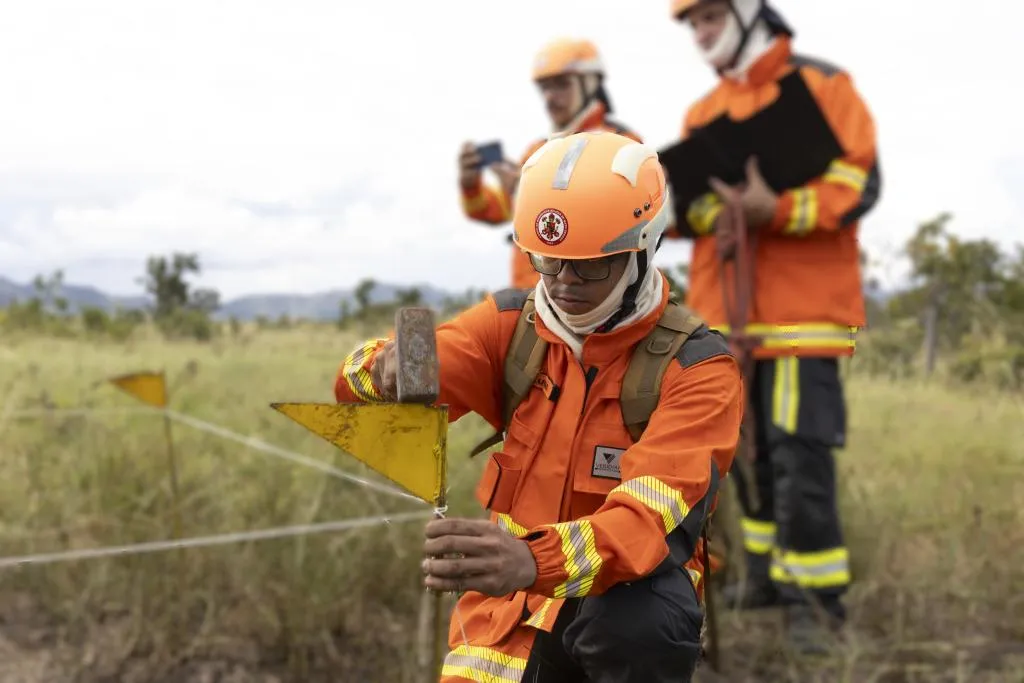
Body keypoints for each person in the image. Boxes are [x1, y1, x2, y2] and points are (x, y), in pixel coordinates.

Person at [337, 131, 744, 681]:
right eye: (547, 261)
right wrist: (382, 373)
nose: (563, 283)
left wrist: (531, 560)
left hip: (619, 607)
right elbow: (353, 393)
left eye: (588, 265)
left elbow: (642, 523)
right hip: (503, 614)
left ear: (643, 248)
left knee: (637, 626)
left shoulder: (699, 369)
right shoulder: (510, 326)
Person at [667, 0, 882, 653]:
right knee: (744, 458)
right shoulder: (702, 113)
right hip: (725, 320)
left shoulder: (824, 85)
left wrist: (778, 207)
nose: (701, 33)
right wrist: (718, 209)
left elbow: (860, 182)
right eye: (692, 25)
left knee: (797, 455)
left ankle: (814, 602)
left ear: (747, 12)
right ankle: (762, 578)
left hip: (800, 319)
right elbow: (683, 208)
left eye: (709, 17)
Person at [458, 38, 643, 290]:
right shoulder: (537, 150)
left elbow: (624, 221)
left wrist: (526, 191)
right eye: (544, 88)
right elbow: (497, 211)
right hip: (530, 293)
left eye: (562, 85)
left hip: (584, 294)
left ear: (590, 84)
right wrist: (470, 186)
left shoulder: (623, 144)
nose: (549, 97)